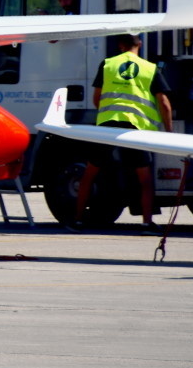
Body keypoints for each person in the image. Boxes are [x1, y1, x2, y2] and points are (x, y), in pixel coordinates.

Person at [72, 34, 173, 234]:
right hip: (135, 128)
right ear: (140, 44)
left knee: (90, 173)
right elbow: (164, 103)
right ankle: (146, 223)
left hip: (108, 126)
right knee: (144, 178)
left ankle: (77, 220)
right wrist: (169, 132)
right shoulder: (150, 68)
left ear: (120, 45)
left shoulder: (108, 64)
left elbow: (97, 98)